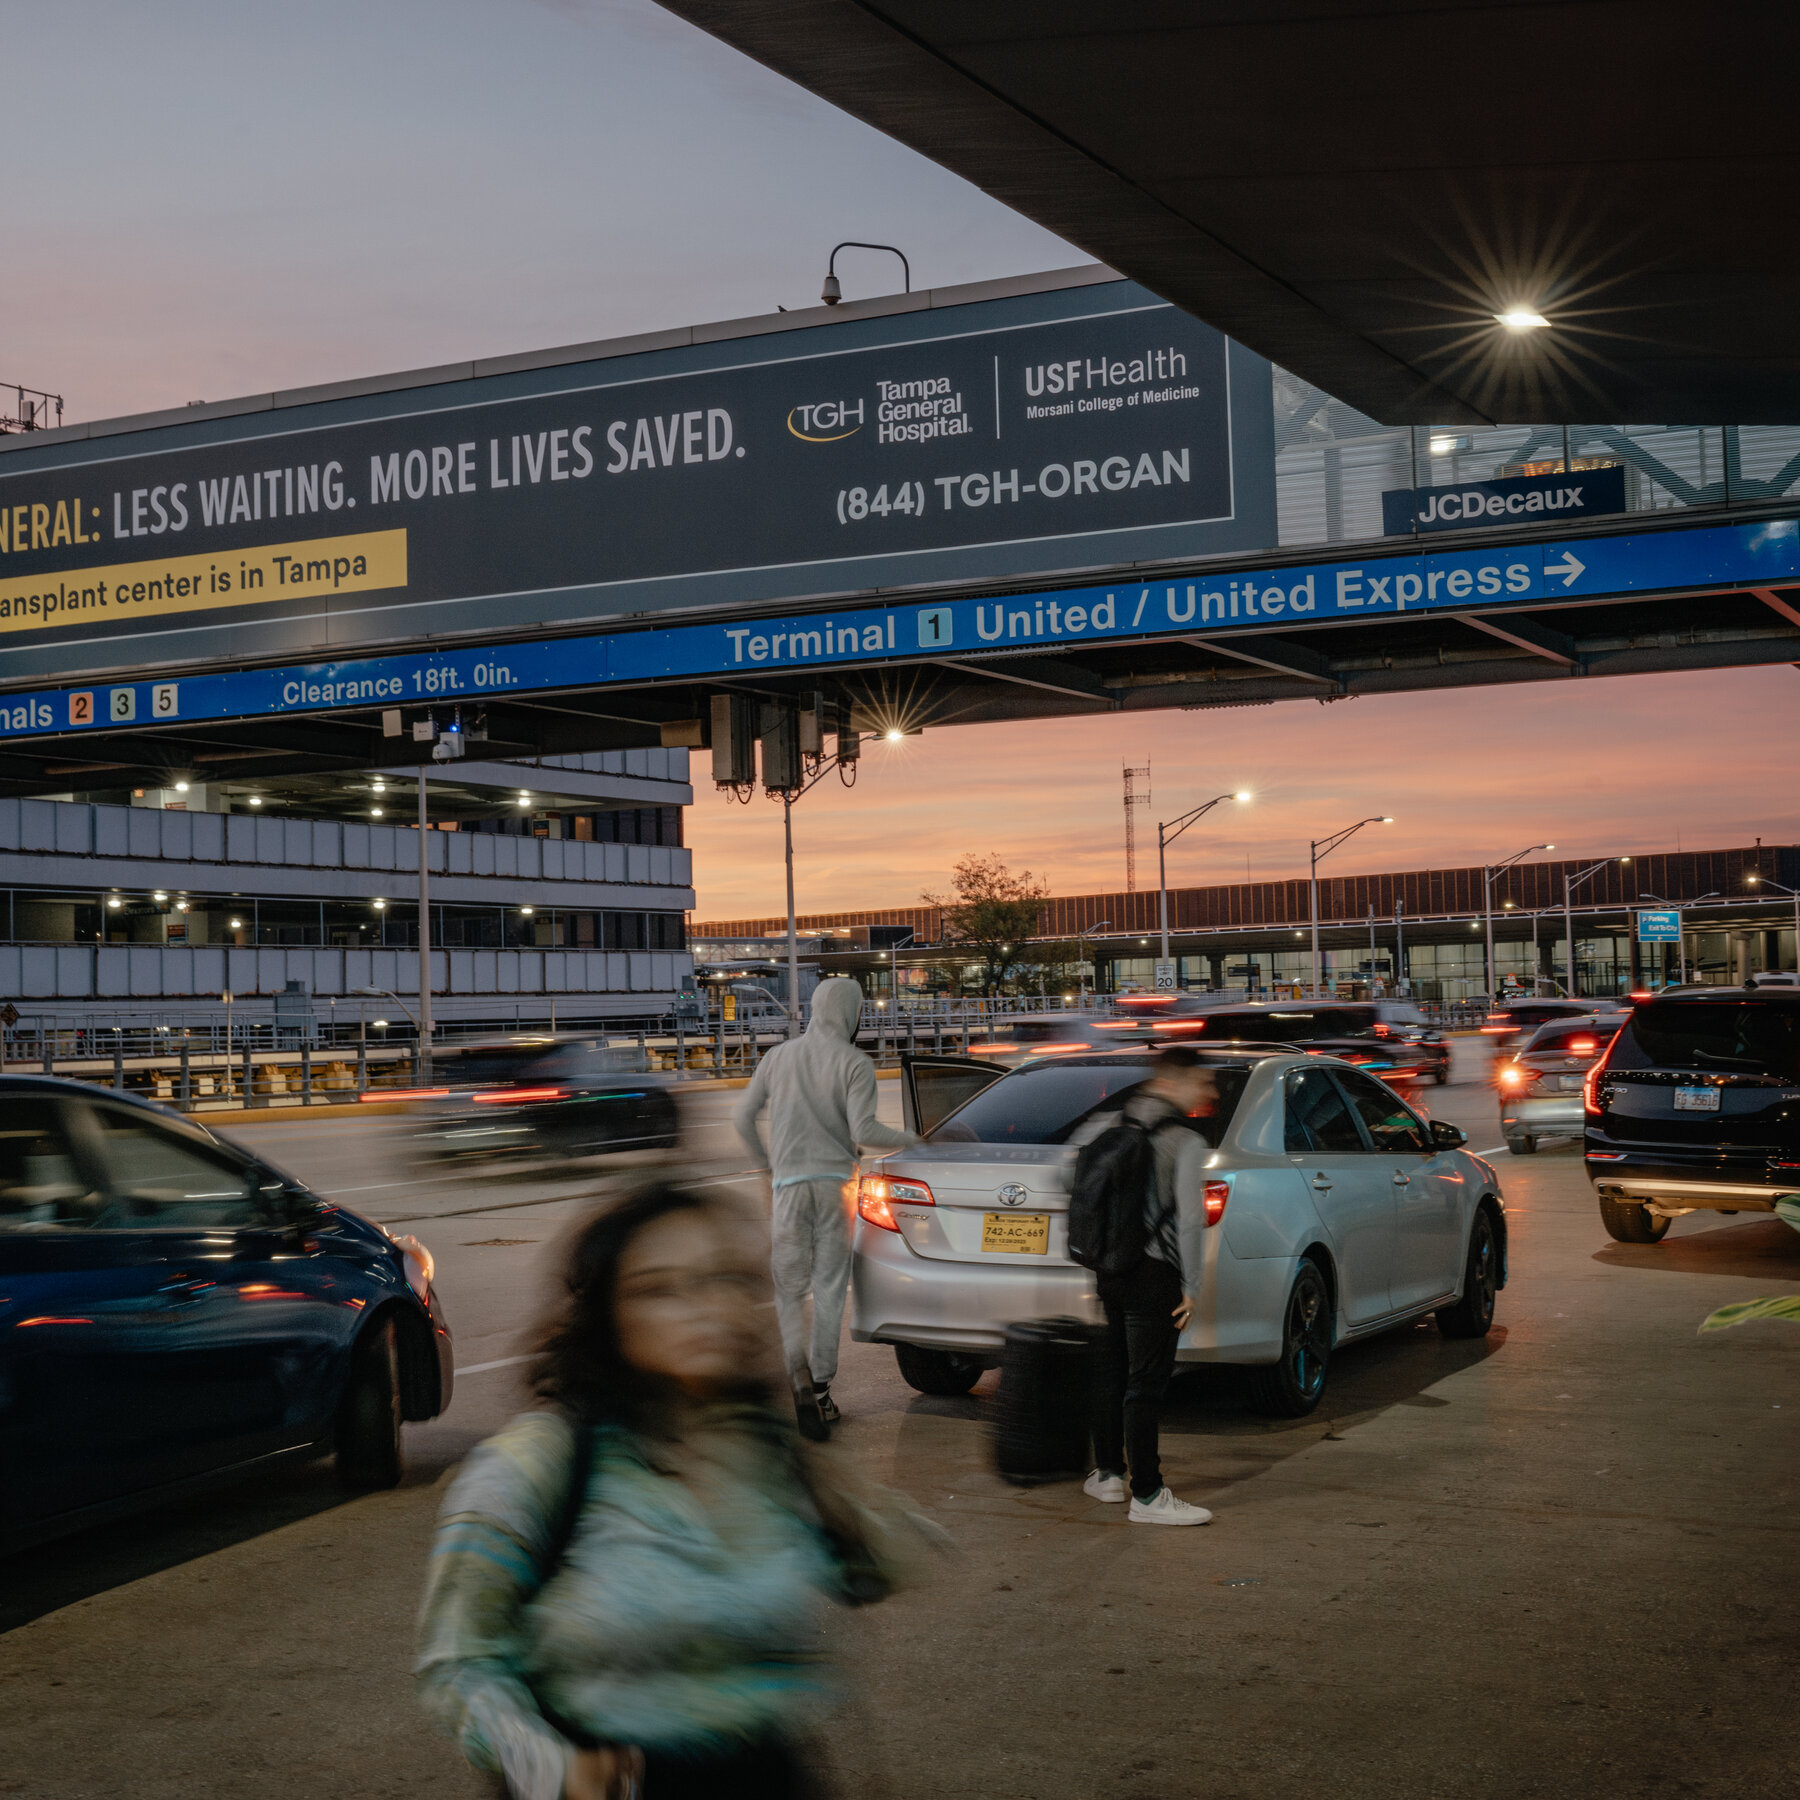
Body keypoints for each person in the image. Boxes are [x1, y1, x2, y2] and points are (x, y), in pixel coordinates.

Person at [417, 1182, 931, 1800]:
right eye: (661, 1289)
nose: (706, 1306)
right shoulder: (539, 1465)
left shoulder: (768, 1450)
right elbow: (461, 1661)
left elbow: (878, 1569)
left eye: (724, 1279)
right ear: (611, 1315)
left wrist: (841, 1495)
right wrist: (549, 1769)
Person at [735, 976, 918, 1436]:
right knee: (831, 1286)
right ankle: (819, 1388)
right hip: (836, 1186)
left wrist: (767, 1167)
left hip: (789, 1187)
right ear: (853, 1013)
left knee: (789, 1288)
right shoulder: (854, 1062)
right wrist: (916, 1140)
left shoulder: (778, 1057)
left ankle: (795, 1369)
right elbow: (865, 1132)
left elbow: (742, 1117)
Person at [1084, 1044, 1218, 1526]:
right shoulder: (1185, 1140)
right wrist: (1193, 1286)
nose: (1209, 1091)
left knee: (1114, 1372)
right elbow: (1189, 1220)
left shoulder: (1107, 1125)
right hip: (1156, 1275)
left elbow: (1071, 1179)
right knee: (1146, 1385)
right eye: (1201, 1082)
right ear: (1174, 1082)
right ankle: (1148, 1495)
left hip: (1111, 1271)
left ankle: (1107, 1476)